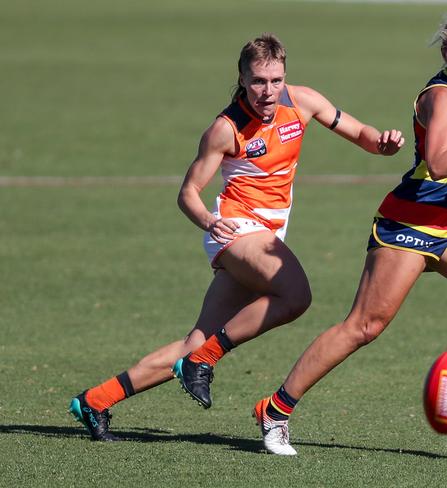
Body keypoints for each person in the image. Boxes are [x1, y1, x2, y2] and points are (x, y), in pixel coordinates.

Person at [68, 33, 404, 441]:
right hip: (235, 228)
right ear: (243, 78)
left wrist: (383, 144)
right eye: (259, 81)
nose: (268, 91)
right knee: (296, 295)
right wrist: (209, 222)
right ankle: (203, 362)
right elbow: (187, 193)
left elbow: (362, 134)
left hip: (268, 232)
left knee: (193, 343)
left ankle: (95, 401)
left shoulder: (303, 101)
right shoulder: (225, 129)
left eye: (276, 80)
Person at [247, 13, 447, 455]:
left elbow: (438, 153)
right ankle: (275, 409)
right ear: (445, 54)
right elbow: (439, 162)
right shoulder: (443, 96)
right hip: (408, 226)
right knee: (364, 326)